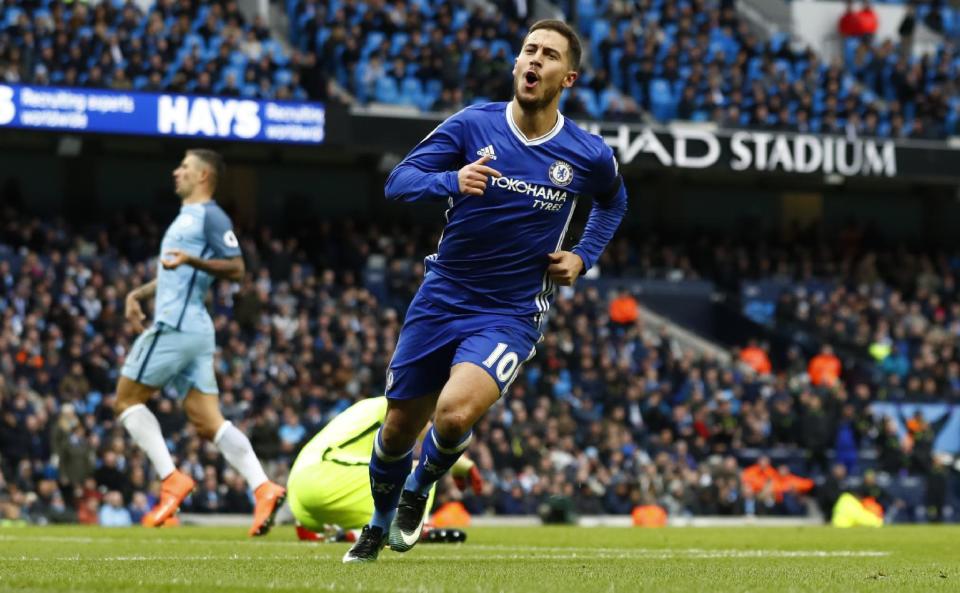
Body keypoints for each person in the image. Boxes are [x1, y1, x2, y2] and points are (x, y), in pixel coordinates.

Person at [343, 19, 627, 563]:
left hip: (511, 310)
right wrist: (452, 181)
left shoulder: (586, 153)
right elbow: (398, 181)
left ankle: (420, 486)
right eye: (529, 50)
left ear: (567, 77)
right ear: (517, 63)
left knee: (452, 415)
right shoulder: (474, 125)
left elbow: (615, 202)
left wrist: (583, 255)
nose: (534, 61)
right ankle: (377, 524)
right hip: (443, 296)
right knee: (399, 427)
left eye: (548, 55)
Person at [113, 149, 286, 536]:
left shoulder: (211, 216)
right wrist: (138, 293)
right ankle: (263, 486)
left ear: (204, 175)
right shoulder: (187, 217)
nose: (177, 172)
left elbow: (237, 268)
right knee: (209, 423)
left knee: (125, 400)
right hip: (194, 329)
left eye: (185, 168)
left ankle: (171, 479)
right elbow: (175, 271)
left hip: (175, 326)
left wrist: (192, 261)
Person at [287, 396, 481, 541]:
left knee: (381, 504)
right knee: (422, 467)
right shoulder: (388, 403)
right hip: (321, 477)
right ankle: (417, 525)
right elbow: (423, 428)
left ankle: (344, 533)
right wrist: (459, 462)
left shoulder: (364, 407)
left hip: (299, 499)